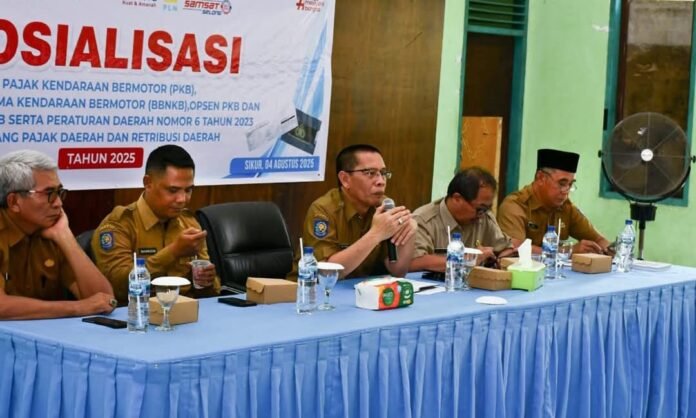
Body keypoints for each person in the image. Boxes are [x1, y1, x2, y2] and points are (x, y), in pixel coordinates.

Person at [92, 145, 219, 303]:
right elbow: (117, 287)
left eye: (188, 190)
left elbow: (211, 293)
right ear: (148, 183)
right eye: (173, 190)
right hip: (138, 313)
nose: (182, 199)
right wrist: (173, 252)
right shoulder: (120, 224)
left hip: (185, 310)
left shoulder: (189, 223)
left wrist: (207, 280)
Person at [0, 150, 116, 320]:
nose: (59, 203)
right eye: (49, 194)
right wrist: (77, 308)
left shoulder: (52, 231)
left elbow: (104, 300)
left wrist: (65, 237)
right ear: (14, 202)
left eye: (59, 193)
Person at [298, 144, 417, 278]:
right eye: (370, 173)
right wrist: (376, 234)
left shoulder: (384, 207)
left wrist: (410, 232)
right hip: (311, 288)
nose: (381, 181)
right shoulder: (323, 210)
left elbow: (398, 272)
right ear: (345, 179)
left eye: (383, 173)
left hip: (360, 288)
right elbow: (325, 273)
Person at [497, 148, 611, 254]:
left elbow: (599, 240)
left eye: (570, 185)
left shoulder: (566, 208)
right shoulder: (515, 205)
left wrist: (610, 251)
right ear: (541, 178)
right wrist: (567, 251)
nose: (566, 191)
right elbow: (515, 248)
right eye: (562, 183)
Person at [410, 167, 518, 272]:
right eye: (480, 209)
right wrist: (467, 260)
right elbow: (414, 262)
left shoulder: (484, 217)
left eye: (487, 209)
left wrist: (498, 260)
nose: (482, 215)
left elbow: (506, 249)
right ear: (457, 199)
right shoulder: (423, 220)